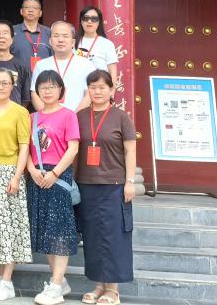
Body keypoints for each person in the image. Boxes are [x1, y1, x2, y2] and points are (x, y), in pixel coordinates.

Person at [76, 70, 136, 305]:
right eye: (93, 87)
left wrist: (130, 181)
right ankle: (98, 286)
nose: (97, 91)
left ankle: (113, 289)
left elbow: (130, 150)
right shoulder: (80, 116)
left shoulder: (121, 117)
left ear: (112, 90)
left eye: (102, 87)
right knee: (92, 237)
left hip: (114, 185)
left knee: (114, 236)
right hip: (86, 184)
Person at [26, 70, 81, 305]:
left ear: (61, 90)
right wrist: (31, 170)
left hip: (58, 176)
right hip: (37, 177)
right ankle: (59, 281)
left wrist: (55, 173)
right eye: (43, 87)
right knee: (47, 232)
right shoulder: (32, 117)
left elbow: (73, 148)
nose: (47, 91)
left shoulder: (68, 115)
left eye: (52, 87)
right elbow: (25, 148)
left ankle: (56, 286)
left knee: (59, 231)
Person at [0, 68, 32, 302]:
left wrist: (17, 176)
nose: (0, 87)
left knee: (8, 226)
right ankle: (0, 277)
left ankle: (8, 281)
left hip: (8, 172)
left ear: (12, 86)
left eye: (5, 83)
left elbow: (24, 147)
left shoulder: (21, 112)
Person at [31, 21, 93, 113]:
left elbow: (90, 94)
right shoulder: (41, 65)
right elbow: (35, 93)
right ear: (50, 41)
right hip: (49, 119)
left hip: (78, 118)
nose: (60, 40)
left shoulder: (86, 64)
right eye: (56, 36)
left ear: (73, 42)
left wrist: (72, 116)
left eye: (65, 36)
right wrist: (50, 116)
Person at [78, 6, 119, 88]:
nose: (89, 21)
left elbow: (112, 71)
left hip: (99, 89)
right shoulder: (73, 42)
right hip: (78, 87)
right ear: (81, 21)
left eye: (94, 19)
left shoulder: (107, 44)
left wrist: (112, 90)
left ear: (99, 22)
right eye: (86, 18)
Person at [11, 0, 52, 70]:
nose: (30, 10)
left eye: (35, 8)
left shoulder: (49, 32)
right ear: (21, 11)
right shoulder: (11, 31)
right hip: (18, 75)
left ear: (40, 13)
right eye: (27, 7)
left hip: (44, 75)